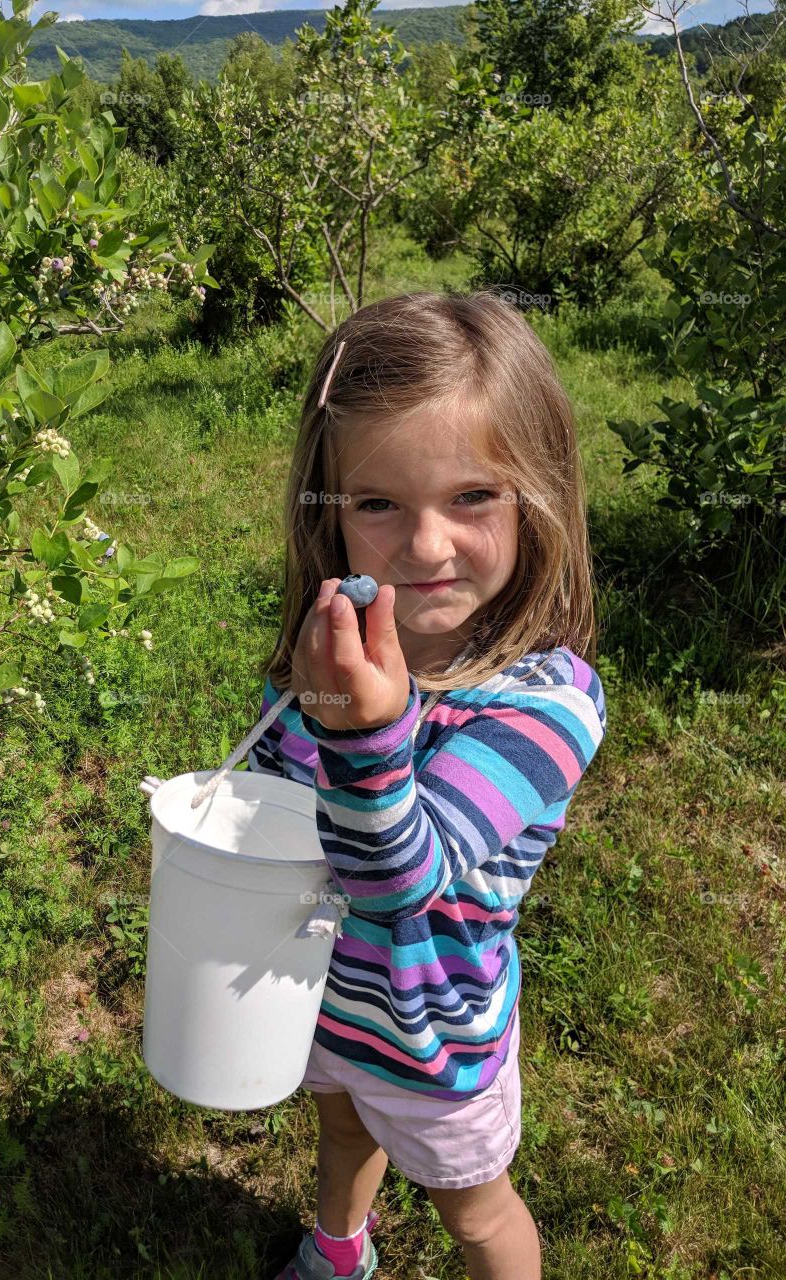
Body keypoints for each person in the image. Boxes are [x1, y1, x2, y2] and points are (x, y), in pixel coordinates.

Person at [248, 290, 608, 1280]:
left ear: (537, 495)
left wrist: (360, 731)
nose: (427, 545)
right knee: (341, 1133)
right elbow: (279, 813)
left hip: (434, 1038)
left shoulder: (545, 705)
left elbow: (401, 878)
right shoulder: (331, 657)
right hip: (328, 1000)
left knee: (478, 1216)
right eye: (378, 504)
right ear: (329, 513)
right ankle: (339, 1250)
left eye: (473, 496)